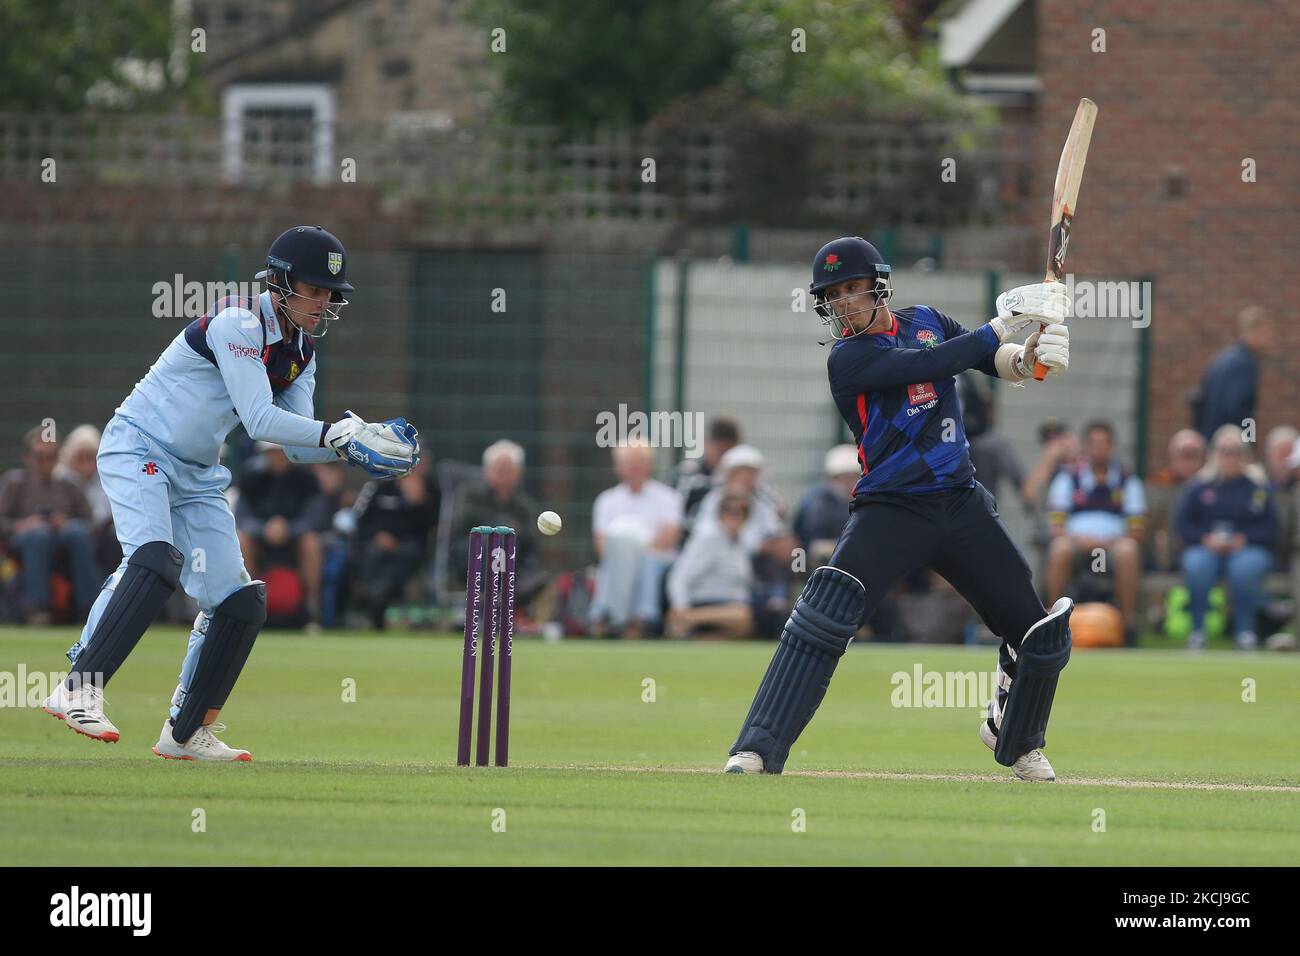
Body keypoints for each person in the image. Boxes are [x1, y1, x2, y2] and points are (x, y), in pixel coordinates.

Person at [39, 225, 420, 760]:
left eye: (330, 293)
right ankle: (77, 688)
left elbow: (295, 442)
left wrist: (353, 444)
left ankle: (185, 732)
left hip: (197, 473)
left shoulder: (301, 352)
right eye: (313, 289)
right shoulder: (237, 320)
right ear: (282, 284)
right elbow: (260, 417)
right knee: (153, 560)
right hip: (140, 446)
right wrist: (338, 434)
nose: (324, 302)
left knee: (240, 602)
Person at [726, 236, 1073, 780]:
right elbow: (935, 363)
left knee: (1035, 632)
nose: (843, 302)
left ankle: (1016, 733)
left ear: (878, 284)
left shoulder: (927, 319)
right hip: (890, 509)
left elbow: (987, 359)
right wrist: (1007, 321)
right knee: (823, 619)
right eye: (832, 295)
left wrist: (1030, 358)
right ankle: (756, 749)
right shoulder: (850, 358)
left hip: (959, 503)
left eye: (851, 289)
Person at [1175, 425, 1278, 650]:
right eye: (1224, 450)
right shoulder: (1200, 486)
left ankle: (1244, 631)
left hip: (1247, 548)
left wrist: (1245, 539)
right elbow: (1182, 524)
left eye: (1236, 451)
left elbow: (1270, 527)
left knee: (1244, 569)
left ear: (1245, 454)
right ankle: (1198, 630)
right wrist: (1204, 539)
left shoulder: (1257, 488)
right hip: (1207, 548)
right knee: (1196, 564)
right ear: (1214, 453)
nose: (1230, 456)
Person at [1044, 421, 1147, 642]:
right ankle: (1052, 624)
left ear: (1113, 447)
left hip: (1114, 545)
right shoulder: (1068, 479)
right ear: (1085, 447)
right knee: (1059, 548)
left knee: (1129, 550)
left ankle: (1126, 627)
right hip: (1076, 544)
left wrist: (1110, 541)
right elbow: (1056, 526)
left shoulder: (1128, 481)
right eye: (1094, 443)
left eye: (1105, 443)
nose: (1099, 449)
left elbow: (1137, 529)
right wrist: (1080, 539)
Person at [0, 428, 100, 624]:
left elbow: (92, 524)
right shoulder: (13, 483)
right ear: (27, 457)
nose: (45, 462)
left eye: (51, 456)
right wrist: (22, 525)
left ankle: (88, 608)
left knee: (77, 533)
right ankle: (37, 608)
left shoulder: (69, 485)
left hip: (65, 540)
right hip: (25, 542)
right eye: (40, 456)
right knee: (39, 535)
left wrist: (67, 523)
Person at [589, 442, 681, 638]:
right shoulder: (606, 500)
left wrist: (632, 555)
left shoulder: (668, 497)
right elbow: (602, 545)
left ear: (650, 466)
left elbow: (668, 539)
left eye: (639, 463)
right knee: (615, 559)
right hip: (620, 558)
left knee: (645, 561)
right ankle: (608, 617)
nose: (634, 468)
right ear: (618, 467)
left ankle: (643, 619)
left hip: (656, 559)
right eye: (629, 463)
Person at [235, 443, 326, 626]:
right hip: (259, 539)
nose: (277, 458)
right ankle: (247, 606)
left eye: (281, 452)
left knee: (312, 543)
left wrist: (288, 529)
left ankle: (311, 609)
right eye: (272, 453)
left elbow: (314, 518)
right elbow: (242, 517)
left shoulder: (307, 479)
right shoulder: (250, 475)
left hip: (295, 540)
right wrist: (264, 529)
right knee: (241, 539)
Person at [451, 440, 546, 607]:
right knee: (496, 535)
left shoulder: (525, 506)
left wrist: (516, 530)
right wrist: (502, 524)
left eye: (508, 470)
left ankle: (502, 603)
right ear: (487, 471)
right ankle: (488, 604)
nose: (503, 474)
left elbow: (532, 542)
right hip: (471, 558)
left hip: (513, 563)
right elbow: (461, 522)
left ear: (518, 473)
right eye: (499, 469)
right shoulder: (469, 495)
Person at [353, 455, 436, 630]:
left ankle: (377, 595)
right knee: (372, 554)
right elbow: (359, 521)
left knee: (408, 554)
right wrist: (377, 536)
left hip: (410, 547)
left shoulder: (432, 490)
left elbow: (433, 527)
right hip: (377, 544)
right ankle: (374, 596)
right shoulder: (377, 487)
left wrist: (417, 503)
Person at [666, 491, 754, 639]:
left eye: (741, 512)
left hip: (731, 606)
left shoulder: (741, 542)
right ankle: (688, 619)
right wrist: (680, 606)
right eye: (729, 511)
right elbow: (680, 575)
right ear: (719, 514)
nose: (735, 517)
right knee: (743, 616)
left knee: (742, 626)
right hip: (706, 602)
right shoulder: (709, 538)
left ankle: (696, 639)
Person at [1192, 305, 1274, 441]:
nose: (1270, 338)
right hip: (1229, 445)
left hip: (1211, 440)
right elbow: (1239, 410)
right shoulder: (1245, 364)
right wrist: (1249, 440)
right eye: (1267, 332)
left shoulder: (1222, 359)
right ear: (1254, 331)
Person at [1145, 429, 1206, 571]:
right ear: (1172, 456)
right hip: (1165, 557)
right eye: (1184, 455)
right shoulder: (1157, 484)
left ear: (1203, 458)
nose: (1188, 462)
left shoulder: (1213, 485)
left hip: (1202, 551)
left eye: (1193, 455)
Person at [674, 416, 741, 538]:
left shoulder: (745, 478)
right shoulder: (687, 473)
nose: (723, 457)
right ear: (706, 443)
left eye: (728, 451)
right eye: (719, 450)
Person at [792, 444, 860, 565]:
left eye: (854, 477)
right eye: (845, 477)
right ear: (831, 478)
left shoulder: (862, 499)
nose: (850, 482)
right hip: (813, 559)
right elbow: (806, 543)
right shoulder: (816, 501)